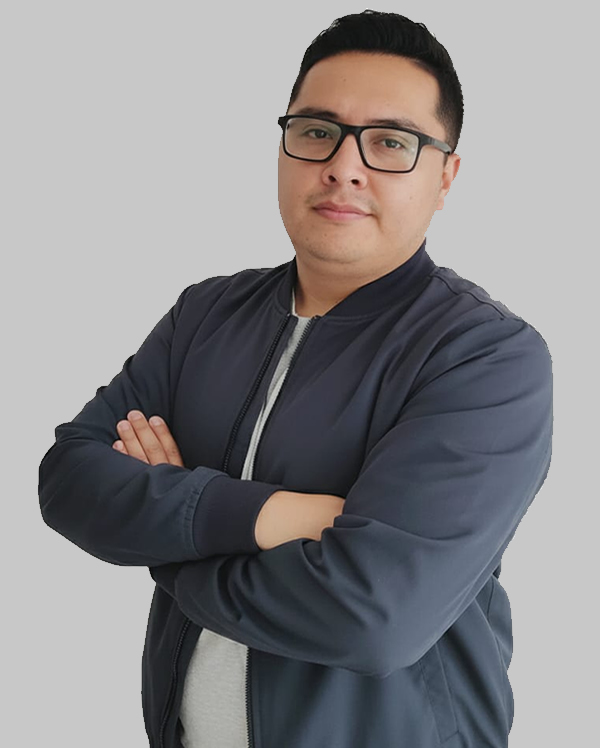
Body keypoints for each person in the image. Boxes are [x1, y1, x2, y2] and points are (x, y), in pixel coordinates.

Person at [38, 9, 553, 748]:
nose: (343, 165)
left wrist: (169, 540)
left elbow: (373, 617)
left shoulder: (484, 356)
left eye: (390, 142)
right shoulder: (206, 314)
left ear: (445, 176)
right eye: (317, 131)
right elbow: (69, 477)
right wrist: (274, 516)